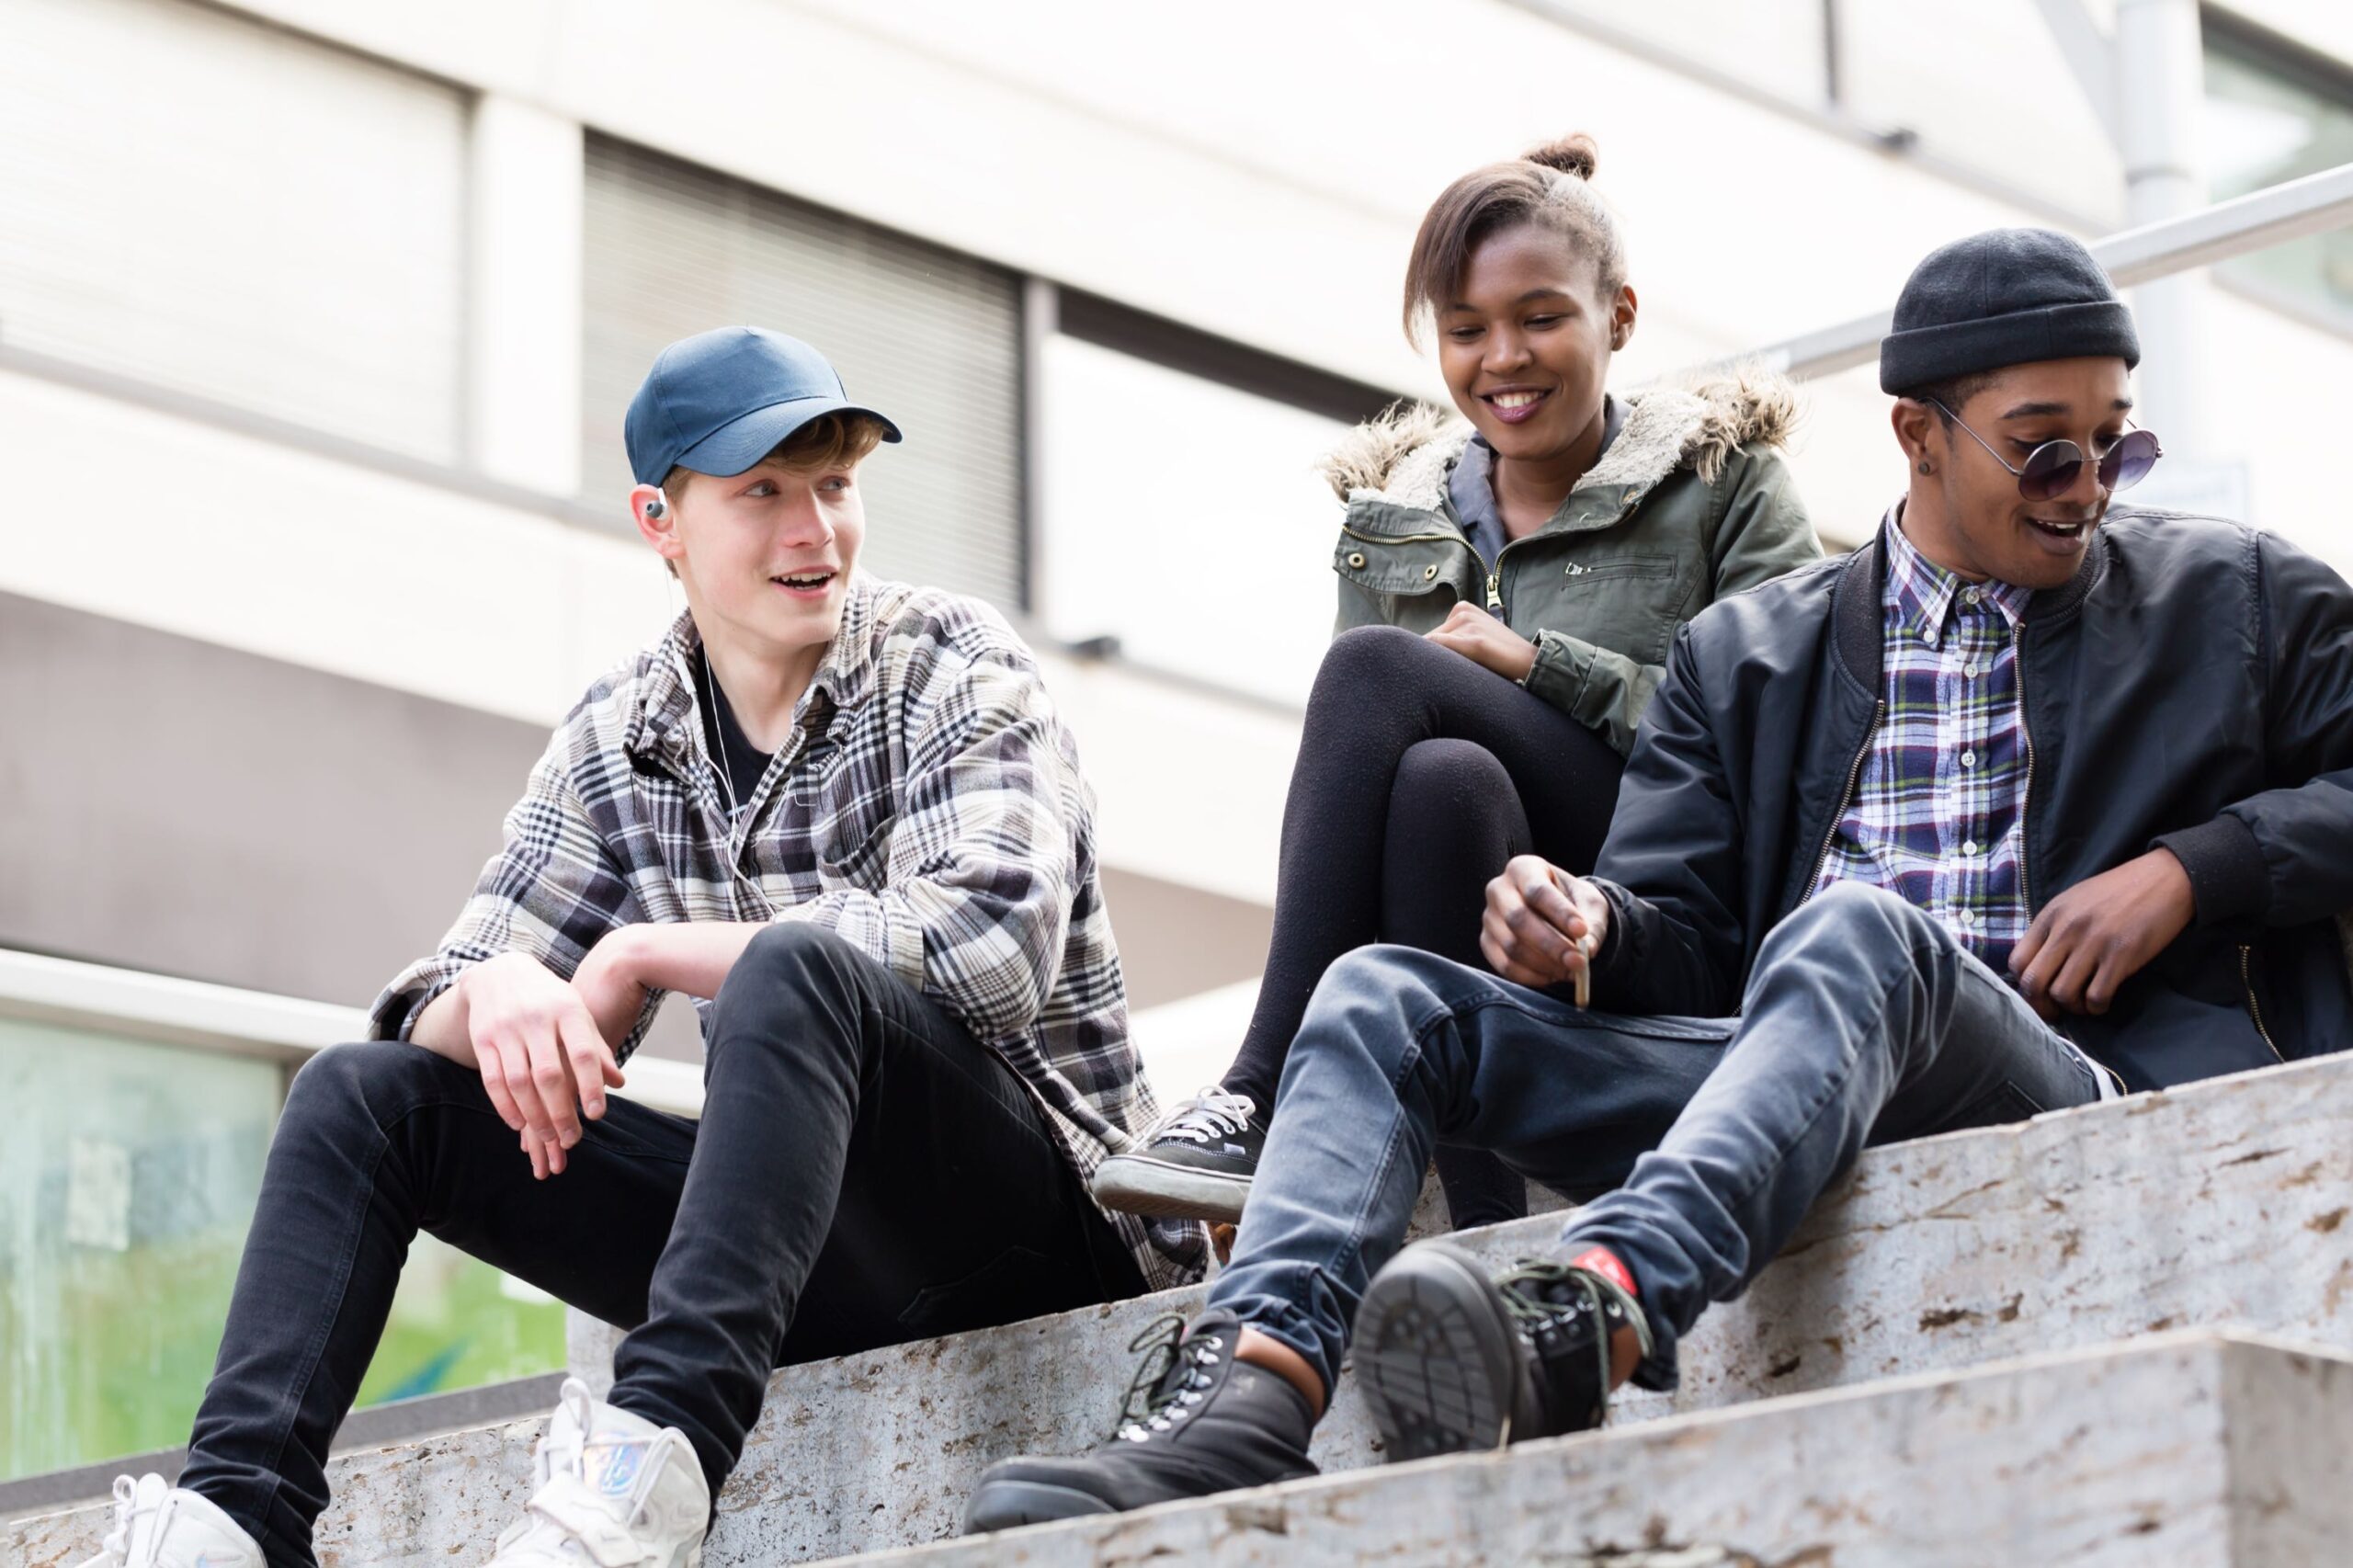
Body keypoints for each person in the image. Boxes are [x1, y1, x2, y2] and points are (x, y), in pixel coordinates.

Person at [961, 227, 2353, 1531]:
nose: (2092, 488)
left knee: (1858, 933)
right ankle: (1251, 1393)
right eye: (2047, 453)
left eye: (2119, 443)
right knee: (1385, 994)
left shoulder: (2238, 600)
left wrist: (2193, 868)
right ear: (1917, 436)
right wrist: (1586, 925)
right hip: (1784, 1065)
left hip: (2064, 1071)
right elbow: (1682, 939)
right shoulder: (1751, 654)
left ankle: (1602, 1303)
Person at [84, 327, 1198, 1568]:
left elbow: (989, 948)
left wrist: (648, 954)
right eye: (761, 493)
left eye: (833, 484)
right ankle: (236, 1512)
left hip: (1036, 1233)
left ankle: (647, 1464)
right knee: (366, 1094)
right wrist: (496, 985)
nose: (812, 530)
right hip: (809, 1268)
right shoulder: (625, 732)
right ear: (660, 520)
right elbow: (429, 1002)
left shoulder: (948, 658)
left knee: (796, 967)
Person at [1090, 134, 1818, 1232]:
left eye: (1540, 318)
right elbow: (1365, 792)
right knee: (1441, 779)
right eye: (1465, 330)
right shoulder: (1398, 518)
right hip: (1490, 901)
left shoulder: (1723, 482)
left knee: (1378, 666)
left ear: (1618, 317)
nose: (1502, 360)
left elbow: (1783, 733)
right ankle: (1476, 1204)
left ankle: (1258, 1085)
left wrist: (1541, 668)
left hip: (1659, 905)